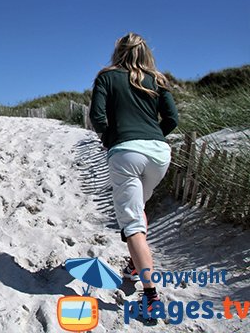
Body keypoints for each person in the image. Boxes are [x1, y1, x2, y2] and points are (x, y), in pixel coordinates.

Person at [89, 32, 178, 320]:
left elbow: (97, 118)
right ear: (145, 52)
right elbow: (173, 119)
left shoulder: (106, 77)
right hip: (159, 153)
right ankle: (133, 265)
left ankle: (151, 295)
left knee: (132, 224)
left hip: (126, 151)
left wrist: (113, 138)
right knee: (138, 211)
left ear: (119, 51)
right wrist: (152, 136)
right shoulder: (158, 79)